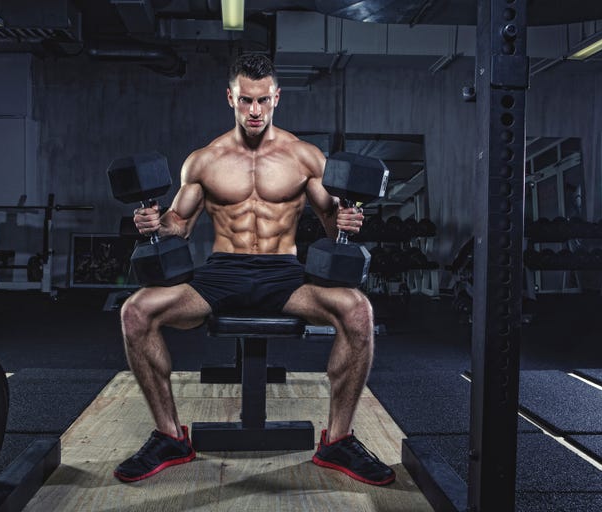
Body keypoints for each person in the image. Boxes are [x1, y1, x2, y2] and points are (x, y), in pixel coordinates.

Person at [114, 53, 395, 486]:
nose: (255, 110)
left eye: (263, 100)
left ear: (277, 97)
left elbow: (329, 219)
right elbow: (179, 226)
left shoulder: (304, 157)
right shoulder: (203, 160)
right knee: (135, 312)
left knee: (358, 311)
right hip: (220, 273)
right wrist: (155, 222)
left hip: (284, 274)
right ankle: (170, 436)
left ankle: (338, 440)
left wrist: (346, 219)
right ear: (230, 97)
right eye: (245, 100)